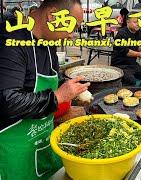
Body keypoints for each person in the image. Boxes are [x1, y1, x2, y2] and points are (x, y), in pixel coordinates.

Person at [0, 0, 89, 179]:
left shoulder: (48, 42)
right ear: (52, 15)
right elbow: (7, 101)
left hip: (42, 145)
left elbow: (50, 79)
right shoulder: (11, 40)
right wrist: (58, 96)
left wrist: (73, 89)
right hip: (13, 154)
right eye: (72, 26)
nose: (72, 35)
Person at [111, 13, 141, 87]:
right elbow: (126, 52)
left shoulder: (138, 32)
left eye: (139, 22)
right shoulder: (121, 33)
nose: (137, 24)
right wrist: (139, 54)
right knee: (131, 81)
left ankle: (139, 93)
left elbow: (137, 45)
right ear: (128, 22)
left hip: (132, 64)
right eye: (135, 22)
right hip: (120, 65)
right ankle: (125, 95)